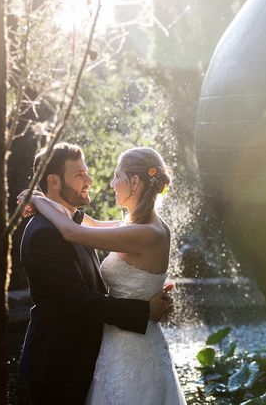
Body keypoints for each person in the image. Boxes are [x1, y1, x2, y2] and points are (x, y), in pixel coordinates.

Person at [18, 143, 184, 405]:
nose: (96, 181)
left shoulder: (142, 230)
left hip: (122, 352)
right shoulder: (45, 233)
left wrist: (39, 200)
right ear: (54, 181)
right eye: (79, 174)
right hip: (61, 365)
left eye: (117, 176)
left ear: (136, 182)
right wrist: (144, 310)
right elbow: (78, 299)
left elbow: (76, 232)